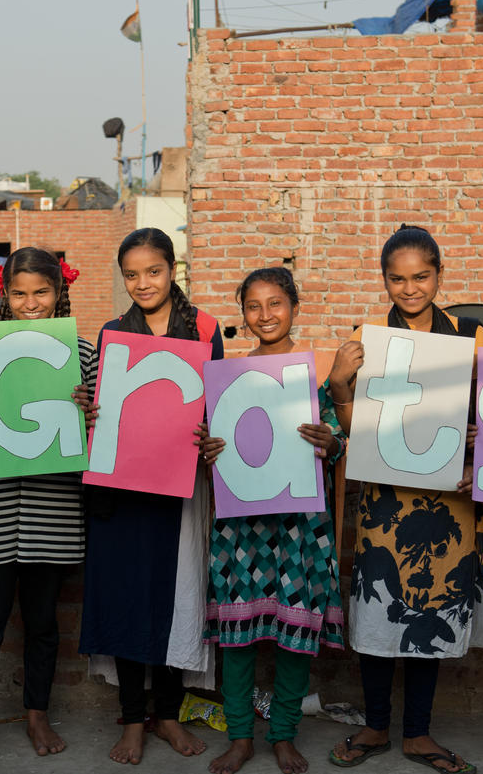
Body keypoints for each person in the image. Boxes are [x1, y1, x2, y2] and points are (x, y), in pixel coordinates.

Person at [327, 225, 483, 774]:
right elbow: (355, 428)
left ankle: (418, 734)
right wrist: (339, 387)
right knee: (379, 612)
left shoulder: (472, 334)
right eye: (397, 278)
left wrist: (480, 442)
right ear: (384, 280)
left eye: (421, 276)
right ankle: (376, 727)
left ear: (439, 275)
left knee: (431, 607)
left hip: (450, 499)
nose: (410, 288)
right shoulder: (366, 337)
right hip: (387, 499)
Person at [78, 227, 223, 765]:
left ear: (173, 269)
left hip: (179, 486)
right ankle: (133, 720)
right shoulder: (114, 332)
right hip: (122, 489)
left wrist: (212, 433)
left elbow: (216, 402)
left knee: (171, 597)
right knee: (126, 599)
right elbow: (101, 406)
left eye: (153, 271)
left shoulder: (204, 328)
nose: (143, 283)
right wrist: (90, 409)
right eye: (132, 275)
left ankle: (166, 714)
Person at [0, 247, 95, 768]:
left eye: (42, 291)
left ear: (60, 293)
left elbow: (100, 436)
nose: (31, 302)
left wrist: (88, 411)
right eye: (19, 293)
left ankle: (37, 715)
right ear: (4, 297)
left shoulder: (82, 354)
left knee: (43, 626)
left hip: (53, 510)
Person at [195, 267, 346, 774]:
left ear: (294, 308)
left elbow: (341, 440)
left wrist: (331, 442)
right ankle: (240, 737)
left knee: (293, 639)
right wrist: (210, 450)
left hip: (301, 529)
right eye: (254, 306)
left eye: (276, 303)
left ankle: (282, 734)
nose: (265, 315)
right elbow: (209, 447)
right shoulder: (227, 380)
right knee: (237, 640)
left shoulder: (315, 378)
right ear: (243, 315)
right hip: (242, 530)